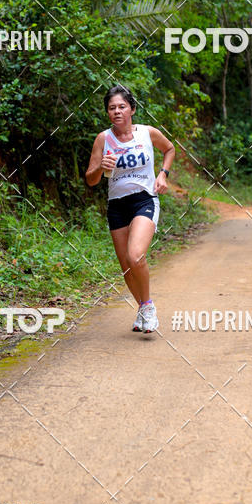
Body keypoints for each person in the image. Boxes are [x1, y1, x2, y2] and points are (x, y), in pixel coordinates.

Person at [85, 85, 175, 334]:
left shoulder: (147, 133)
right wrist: (100, 166)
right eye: (112, 108)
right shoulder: (104, 139)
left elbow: (170, 149)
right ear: (107, 113)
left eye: (122, 106)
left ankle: (148, 306)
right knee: (126, 265)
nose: (117, 111)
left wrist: (163, 175)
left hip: (144, 199)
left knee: (136, 256)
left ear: (132, 109)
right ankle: (142, 309)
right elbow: (91, 179)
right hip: (117, 205)